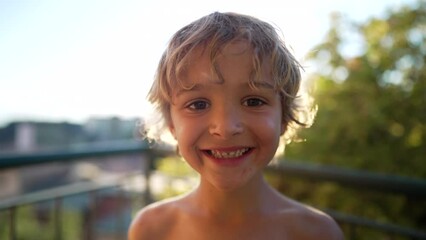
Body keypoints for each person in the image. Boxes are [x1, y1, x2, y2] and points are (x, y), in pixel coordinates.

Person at [128, 12, 344, 240]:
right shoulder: (151, 229)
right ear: (171, 123)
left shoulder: (317, 233)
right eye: (198, 104)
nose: (226, 127)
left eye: (253, 101)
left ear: (284, 117)